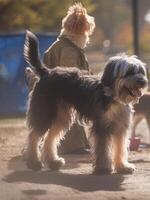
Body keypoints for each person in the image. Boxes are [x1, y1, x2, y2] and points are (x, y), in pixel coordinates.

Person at [43, 3, 95, 154]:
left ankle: (72, 145)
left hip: (50, 88)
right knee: (70, 113)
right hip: (58, 92)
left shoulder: (65, 45)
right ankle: (74, 146)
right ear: (82, 30)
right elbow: (71, 75)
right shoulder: (68, 49)